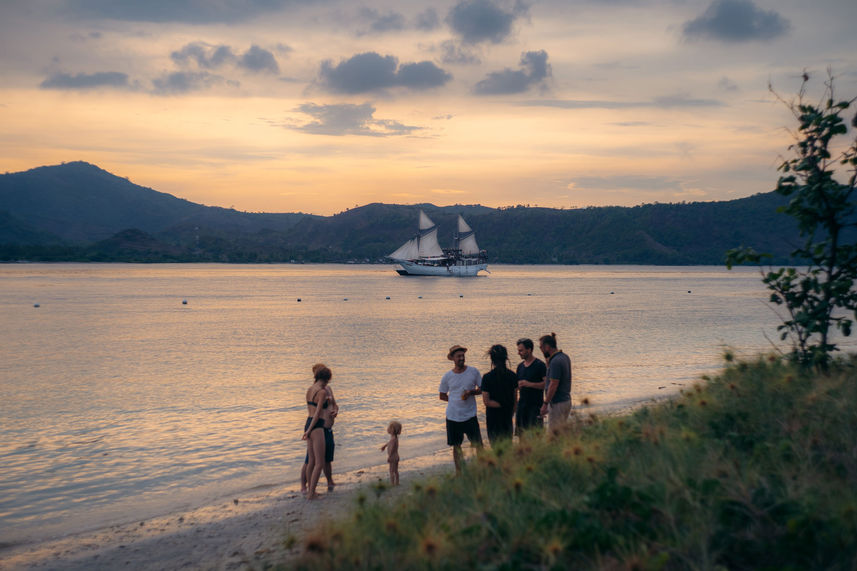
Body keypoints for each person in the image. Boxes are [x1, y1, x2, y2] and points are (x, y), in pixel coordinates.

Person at [438, 344, 483, 473]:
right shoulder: (447, 376)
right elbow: (442, 395)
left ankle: (482, 468)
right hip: (453, 416)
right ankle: (459, 472)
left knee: (478, 444)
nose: (461, 358)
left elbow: (482, 389)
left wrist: (471, 393)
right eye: (458, 356)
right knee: (456, 446)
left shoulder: (473, 371)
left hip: (470, 415)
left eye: (463, 355)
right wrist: (453, 401)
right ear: (452, 358)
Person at [300, 364, 338, 494]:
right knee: (319, 463)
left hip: (308, 422)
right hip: (316, 425)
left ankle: (311, 490)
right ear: (327, 379)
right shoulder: (321, 392)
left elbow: (311, 410)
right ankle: (311, 493)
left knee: (311, 461)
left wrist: (307, 429)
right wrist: (309, 430)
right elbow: (317, 414)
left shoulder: (310, 389)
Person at [480, 344, 518, 443]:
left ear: (492, 360)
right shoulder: (513, 375)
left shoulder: (487, 377)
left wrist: (500, 405)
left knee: (495, 446)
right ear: (505, 358)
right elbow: (515, 399)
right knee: (507, 445)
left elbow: (487, 401)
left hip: (493, 417)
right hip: (507, 415)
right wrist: (509, 410)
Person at [538, 333, 572, 431]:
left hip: (557, 403)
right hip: (566, 400)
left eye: (541, 347)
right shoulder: (564, 356)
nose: (540, 350)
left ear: (547, 347)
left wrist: (545, 404)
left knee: (554, 435)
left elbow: (553, 384)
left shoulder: (555, 362)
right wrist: (548, 365)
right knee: (561, 432)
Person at [515, 338, 547, 434]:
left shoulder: (540, 365)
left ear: (529, 350)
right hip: (522, 407)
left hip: (535, 407)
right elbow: (516, 385)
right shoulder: (520, 366)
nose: (518, 353)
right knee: (522, 436)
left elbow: (546, 384)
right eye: (518, 350)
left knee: (536, 436)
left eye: (521, 350)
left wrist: (529, 384)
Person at [381, 421, 401, 485]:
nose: (387, 429)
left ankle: (392, 484)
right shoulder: (395, 438)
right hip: (396, 456)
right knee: (396, 471)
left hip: (393, 457)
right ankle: (397, 482)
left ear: (392, 430)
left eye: (389, 428)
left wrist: (389, 457)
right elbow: (389, 443)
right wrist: (385, 446)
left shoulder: (393, 439)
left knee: (391, 471)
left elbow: (392, 449)